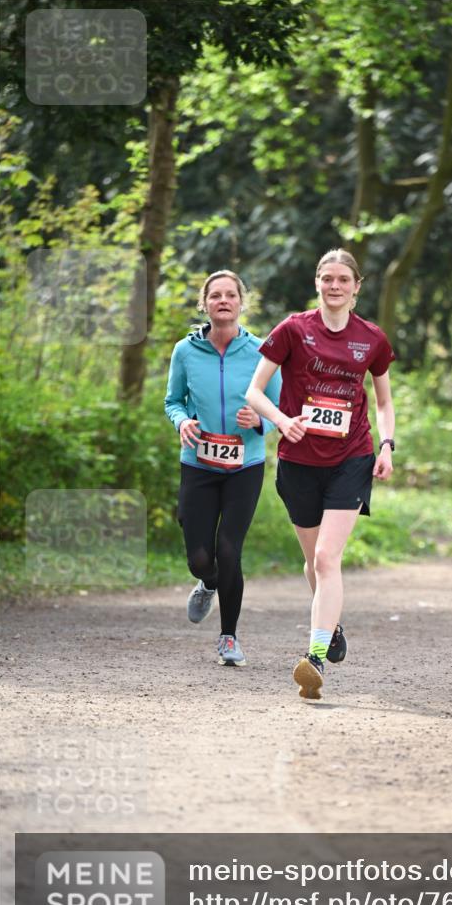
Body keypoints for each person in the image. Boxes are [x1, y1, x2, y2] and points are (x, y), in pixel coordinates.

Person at [246, 248, 395, 699]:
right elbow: (254, 391)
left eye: (343, 280)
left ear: (356, 287)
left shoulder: (372, 338)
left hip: (351, 457)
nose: (334, 286)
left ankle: (313, 658)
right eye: (327, 278)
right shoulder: (293, 329)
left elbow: (384, 401)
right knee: (312, 562)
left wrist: (387, 444)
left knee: (329, 558)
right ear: (317, 283)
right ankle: (331, 626)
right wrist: (281, 419)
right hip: (298, 460)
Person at [165, 270, 281, 665]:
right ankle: (208, 583)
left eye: (231, 294)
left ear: (240, 302)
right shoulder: (185, 351)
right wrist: (182, 421)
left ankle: (228, 637)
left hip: (244, 465)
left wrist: (261, 422)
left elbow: (279, 407)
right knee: (200, 558)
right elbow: (172, 400)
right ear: (205, 304)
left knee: (229, 550)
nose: (223, 301)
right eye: (215, 295)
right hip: (198, 463)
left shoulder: (262, 351)